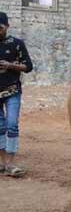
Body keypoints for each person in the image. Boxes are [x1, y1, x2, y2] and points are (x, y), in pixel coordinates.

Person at [0, 11, 33, 177]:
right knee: (0, 127)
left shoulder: (17, 44)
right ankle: (3, 162)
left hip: (13, 91)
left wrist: (10, 65)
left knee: (12, 124)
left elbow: (28, 66)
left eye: (0, 28)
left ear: (7, 26)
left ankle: (11, 164)